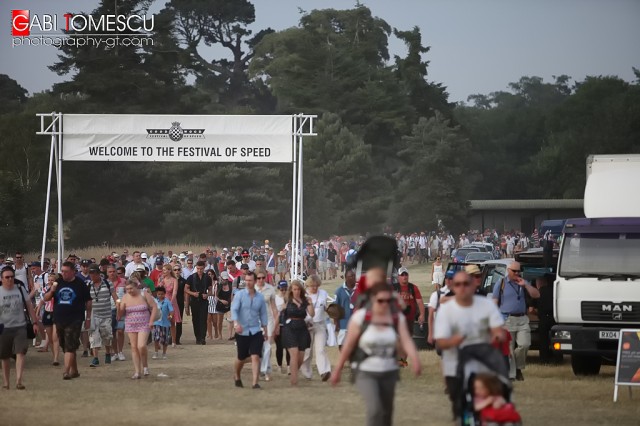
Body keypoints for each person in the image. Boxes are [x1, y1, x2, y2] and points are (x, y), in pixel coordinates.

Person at [330, 283, 421, 426]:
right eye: (380, 300)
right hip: (366, 371)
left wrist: (415, 359)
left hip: (389, 371)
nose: (385, 304)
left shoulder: (396, 318)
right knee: (375, 409)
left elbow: (406, 340)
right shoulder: (360, 318)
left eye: (388, 301)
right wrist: (338, 369)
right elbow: (348, 345)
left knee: (387, 412)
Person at [435, 271, 505, 420]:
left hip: (481, 365)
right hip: (454, 366)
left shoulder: (486, 305)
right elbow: (440, 341)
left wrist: (497, 336)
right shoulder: (446, 310)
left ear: (473, 285)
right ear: (453, 287)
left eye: (466, 284)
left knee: (480, 405)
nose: (462, 288)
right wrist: (455, 341)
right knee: (459, 405)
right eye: (458, 284)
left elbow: (498, 330)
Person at [43, 261, 92, 380]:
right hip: (59, 318)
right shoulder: (58, 282)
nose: (63, 273)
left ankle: (66, 371)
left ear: (73, 272)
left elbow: (88, 301)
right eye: (62, 271)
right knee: (66, 346)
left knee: (70, 345)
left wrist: (88, 317)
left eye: (66, 271)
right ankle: (74, 371)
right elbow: (46, 298)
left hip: (75, 318)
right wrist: (52, 290)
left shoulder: (80, 284)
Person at [492, 261, 540, 381]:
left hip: (522, 318)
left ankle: (518, 367)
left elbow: (537, 295)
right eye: (514, 271)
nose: (517, 273)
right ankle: (512, 375)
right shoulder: (501, 283)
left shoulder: (523, 283)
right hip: (507, 319)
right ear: (508, 271)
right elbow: (494, 302)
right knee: (509, 349)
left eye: (519, 271)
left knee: (525, 344)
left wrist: (526, 286)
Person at [0, 266, 39, 390]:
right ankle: (6, 382)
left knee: (20, 352)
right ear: (2, 279)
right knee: (5, 356)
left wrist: (35, 322)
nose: (10, 279)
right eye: (7, 277)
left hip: (20, 326)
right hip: (4, 327)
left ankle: (19, 380)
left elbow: (29, 305)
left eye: (12, 277)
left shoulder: (20, 288)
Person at [230, 271, 268, 389]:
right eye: (246, 280)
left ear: (255, 281)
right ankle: (237, 375)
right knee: (241, 357)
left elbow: (263, 314)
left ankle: (255, 382)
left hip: (256, 330)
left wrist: (265, 329)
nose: (248, 283)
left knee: (256, 356)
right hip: (242, 331)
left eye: (250, 280)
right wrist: (236, 323)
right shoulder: (240, 295)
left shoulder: (260, 297)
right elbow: (234, 310)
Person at [117, 279, 157, 379]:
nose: (129, 291)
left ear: (136, 287)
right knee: (134, 347)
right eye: (127, 289)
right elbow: (120, 315)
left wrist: (151, 321)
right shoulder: (125, 297)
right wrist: (119, 307)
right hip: (130, 324)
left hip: (144, 323)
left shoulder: (144, 294)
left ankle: (145, 366)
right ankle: (137, 371)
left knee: (141, 345)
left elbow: (154, 307)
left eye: (131, 288)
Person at [281, 279, 314, 386]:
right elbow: (282, 314)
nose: (297, 291)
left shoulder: (305, 300)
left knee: (300, 356)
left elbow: (312, 314)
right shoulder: (288, 300)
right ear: (291, 290)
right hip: (290, 328)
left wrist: (310, 303)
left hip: (302, 328)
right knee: (294, 354)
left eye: (298, 289)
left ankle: (294, 370)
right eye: (295, 289)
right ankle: (294, 381)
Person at [301, 274, 332, 381]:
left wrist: (330, 311)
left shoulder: (323, 293)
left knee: (321, 349)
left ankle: (324, 371)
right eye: (312, 286)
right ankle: (307, 372)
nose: (314, 288)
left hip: (320, 324)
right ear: (308, 285)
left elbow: (325, 307)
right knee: (307, 350)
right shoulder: (303, 295)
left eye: (316, 286)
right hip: (306, 325)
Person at [87, 265, 118, 367]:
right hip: (93, 315)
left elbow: (115, 296)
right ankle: (95, 358)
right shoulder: (88, 285)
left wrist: (119, 306)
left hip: (106, 315)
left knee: (107, 336)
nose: (91, 276)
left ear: (98, 274)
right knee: (93, 336)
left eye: (93, 274)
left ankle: (108, 353)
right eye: (90, 274)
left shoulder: (107, 283)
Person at [394, 267, 425, 366]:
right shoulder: (394, 288)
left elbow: (420, 302)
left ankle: (402, 361)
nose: (404, 277)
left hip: (409, 319)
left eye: (406, 275)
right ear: (398, 277)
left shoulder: (413, 288)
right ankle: (398, 360)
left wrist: (422, 314)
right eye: (402, 275)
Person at [255, 269, 278, 381]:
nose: (261, 280)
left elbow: (274, 308)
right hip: (255, 321)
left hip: (268, 320)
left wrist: (277, 323)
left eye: (263, 278)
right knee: (259, 347)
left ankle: (266, 370)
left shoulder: (270, 289)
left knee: (268, 346)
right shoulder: (252, 289)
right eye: (258, 278)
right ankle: (260, 367)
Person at [185, 261, 212, 345]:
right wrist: (193, 293)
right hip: (194, 301)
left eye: (201, 269)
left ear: (204, 268)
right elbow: (186, 289)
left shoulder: (207, 278)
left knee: (203, 319)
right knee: (195, 319)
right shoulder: (191, 277)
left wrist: (207, 294)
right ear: (196, 268)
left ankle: (203, 337)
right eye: (198, 269)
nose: (199, 270)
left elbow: (211, 290)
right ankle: (198, 337)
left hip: (204, 301)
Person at [36, 273, 60, 365]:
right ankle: (54, 355)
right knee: (50, 338)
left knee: (55, 337)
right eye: (49, 280)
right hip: (47, 312)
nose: (50, 281)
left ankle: (56, 359)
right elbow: (42, 302)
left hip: (56, 313)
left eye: (52, 280)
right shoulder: (45, 289)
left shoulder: (58, 290)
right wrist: (37, 312)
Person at [158, 264, 181, 347]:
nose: (163, 271)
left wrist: (171, 301)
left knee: (172, 322)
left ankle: (173, 341)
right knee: (162, 321)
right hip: (163, 301)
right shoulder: (162, 280)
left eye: (165, 270)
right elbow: (159, 289)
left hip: (171, 301)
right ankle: (162, 339)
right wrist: (160, 281)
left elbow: (175, 291)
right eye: (163, 270)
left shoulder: (174, 280)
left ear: (169, 270)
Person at [107, 266, 127, 361]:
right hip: (109, 309)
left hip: (122, 309)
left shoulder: (123, 281)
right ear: (107, 273)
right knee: (112, 332)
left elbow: (128, 293)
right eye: (110, 272)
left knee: (120, 330)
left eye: (114, 271)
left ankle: (120, 351)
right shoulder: (105, 283)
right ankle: (115, 352)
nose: (112, 273)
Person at [334, 269, 357, 349]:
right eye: (351, 276)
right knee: (342, 343)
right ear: (346, 278)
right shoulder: (339, 291)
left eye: (354, 276)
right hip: (343, 321)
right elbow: (336, 307)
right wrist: (336, 322)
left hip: (356, 321)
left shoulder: (359, 290)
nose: (354, 278)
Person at [152, 286, 174, 360]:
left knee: (165, 340)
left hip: (165, 323)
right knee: (156, 338)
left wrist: (170, 316)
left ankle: (164, 353)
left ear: (164, 294)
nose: (160, 295)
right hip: (156, 322)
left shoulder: (167, 302)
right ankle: (156, 352)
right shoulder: (155, 301)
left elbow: (171, 311)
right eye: (159, 294)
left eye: (162, 294)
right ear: (157, 294)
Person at [274, 280, 291, 374]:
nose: (283, 291)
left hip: (288, 325)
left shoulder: (289, 298)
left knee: (288, 347)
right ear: (278, 288)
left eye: (285, 289)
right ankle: (279, 365)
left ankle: (289, 366)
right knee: (279, 347)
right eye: (282, 289)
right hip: (279, 325)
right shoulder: (275, 298)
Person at [215, 272, 233, 341]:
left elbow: (232, 293)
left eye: (226, 279)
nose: (225, 280)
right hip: (220, 304)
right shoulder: (218, 285)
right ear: (221, 278)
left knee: (230, 320)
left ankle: (230, 335)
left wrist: (231, 301)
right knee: (219, 321)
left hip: (229, 304)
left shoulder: (231, 284)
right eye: (224, 279)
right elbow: (216, 296)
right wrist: (221, 301)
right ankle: (220, 335)